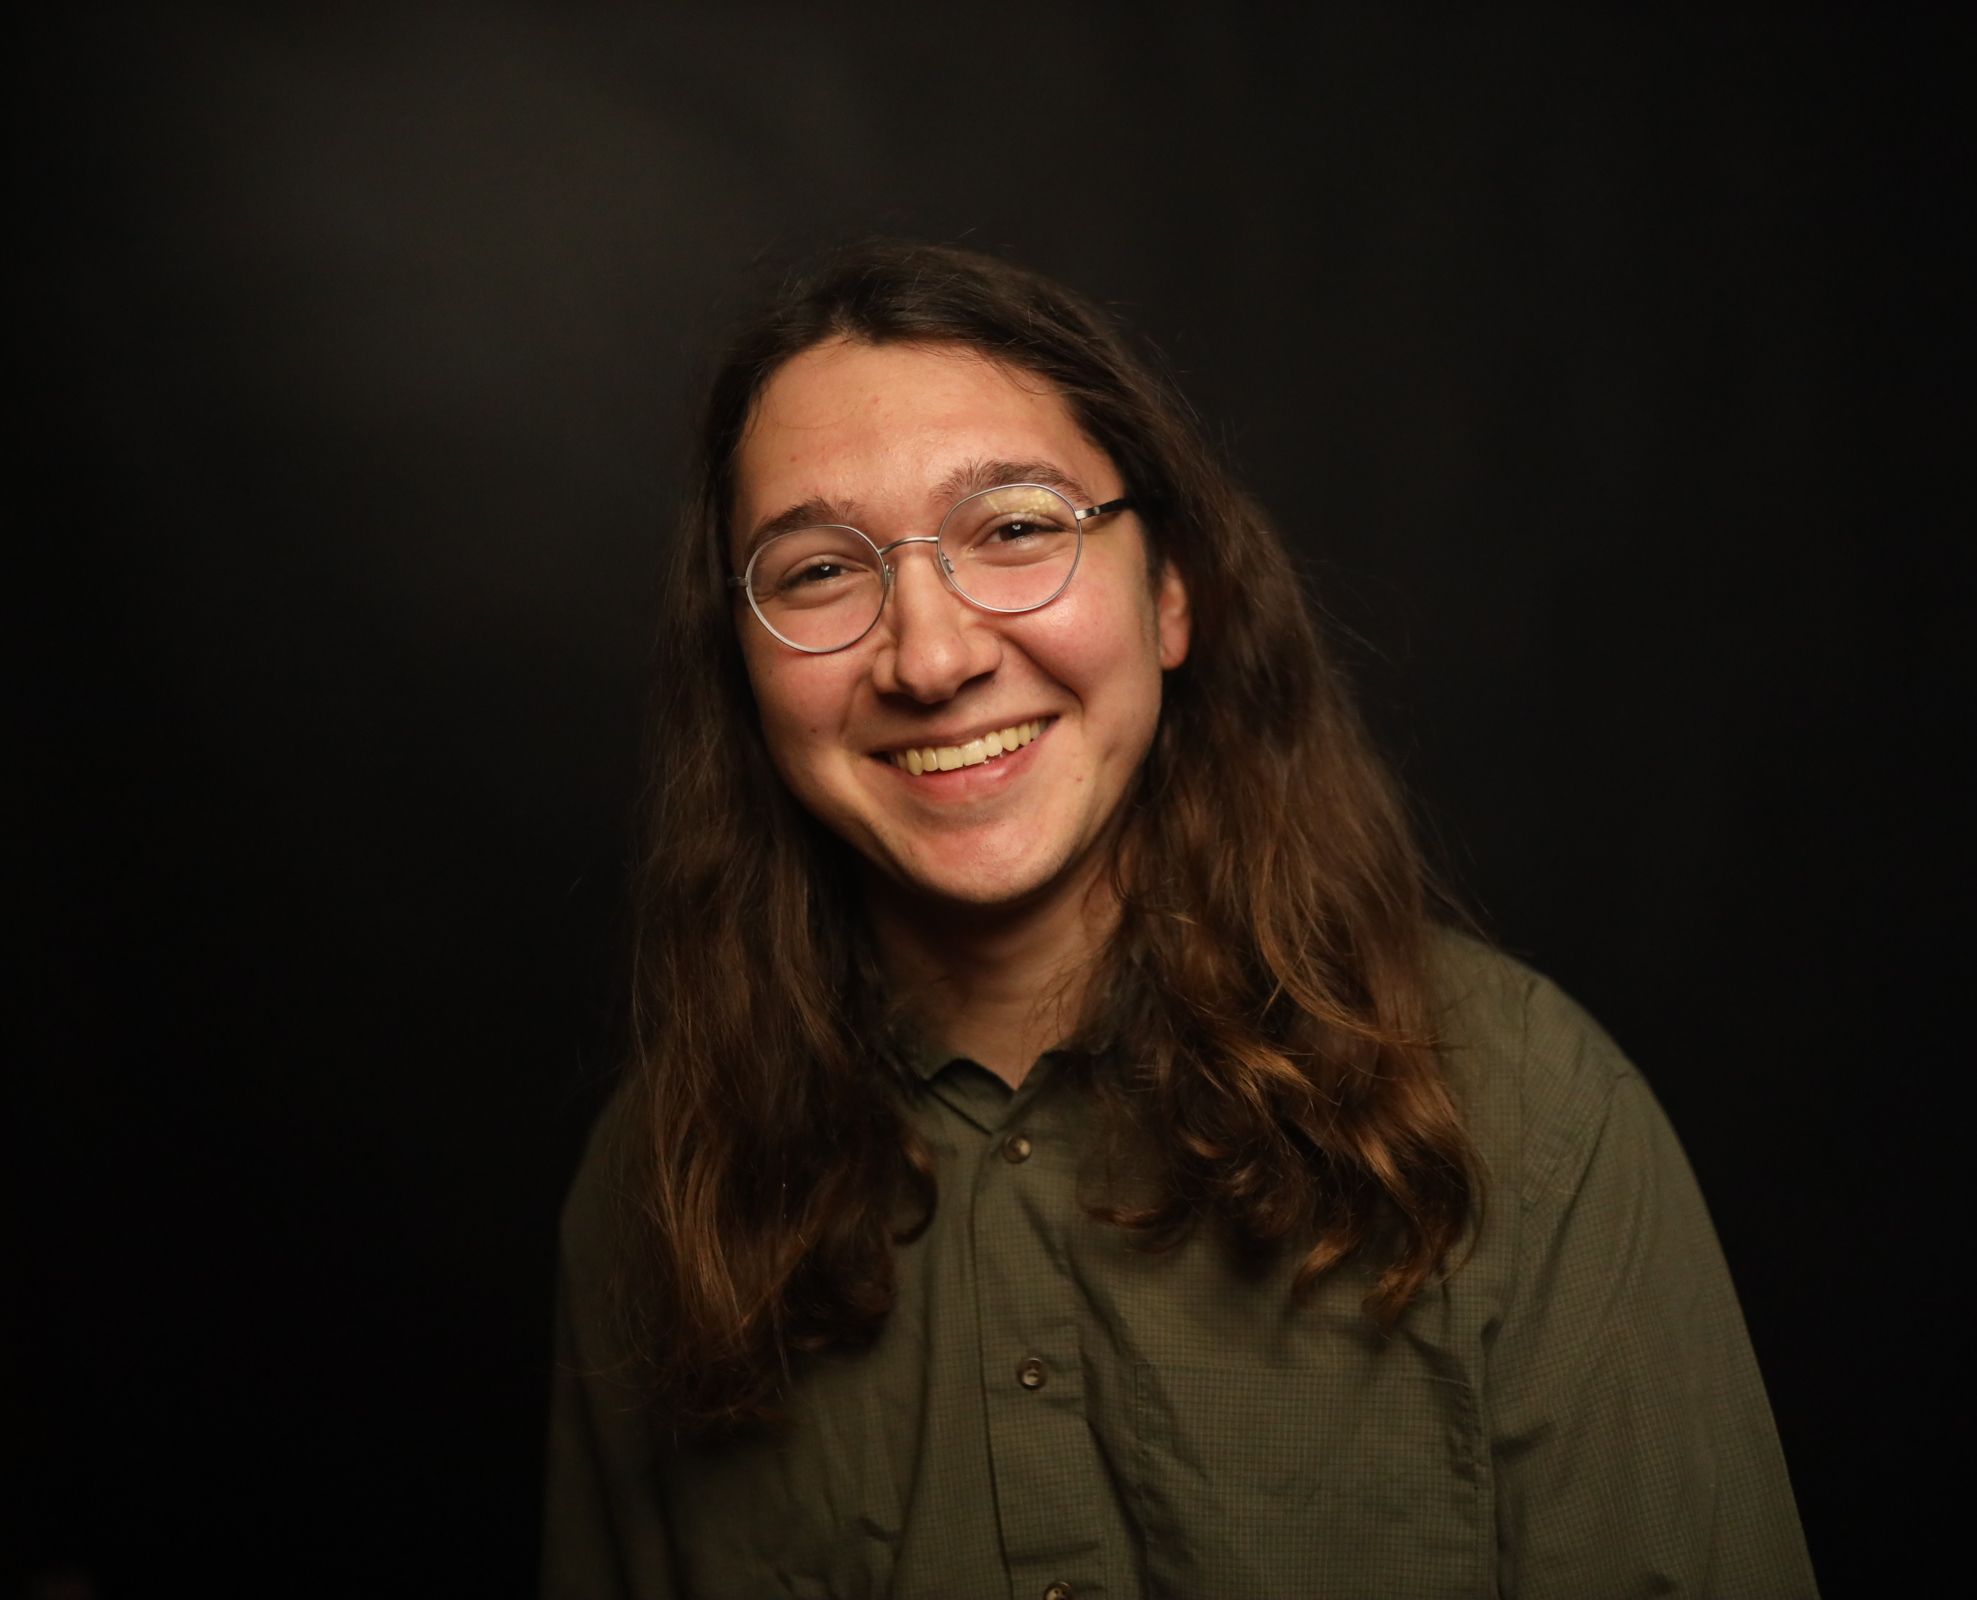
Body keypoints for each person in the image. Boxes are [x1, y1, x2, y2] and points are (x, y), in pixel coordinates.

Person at [540, 241, 1816, 1600]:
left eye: (1016, 529)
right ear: (740, 669)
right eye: (815, 574)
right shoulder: (657, 1192)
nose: (932, 656)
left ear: (1172, 595)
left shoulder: (1527, 1115)